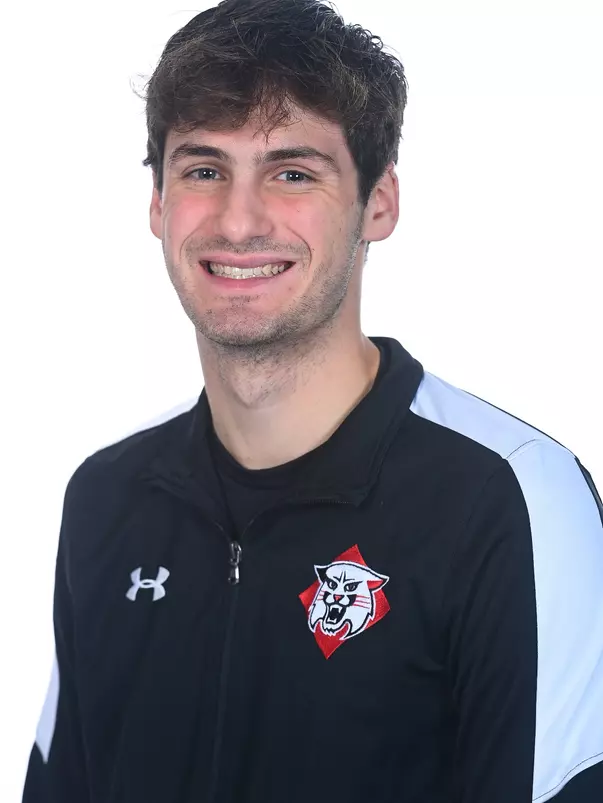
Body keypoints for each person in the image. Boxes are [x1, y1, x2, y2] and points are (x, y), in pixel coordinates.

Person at [22, 0, 603, 801]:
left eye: (293, 172)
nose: (239, 219)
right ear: (158, 203)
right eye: (203, 169)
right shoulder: (106, 497)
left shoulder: (509, 499)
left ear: (378, 203)